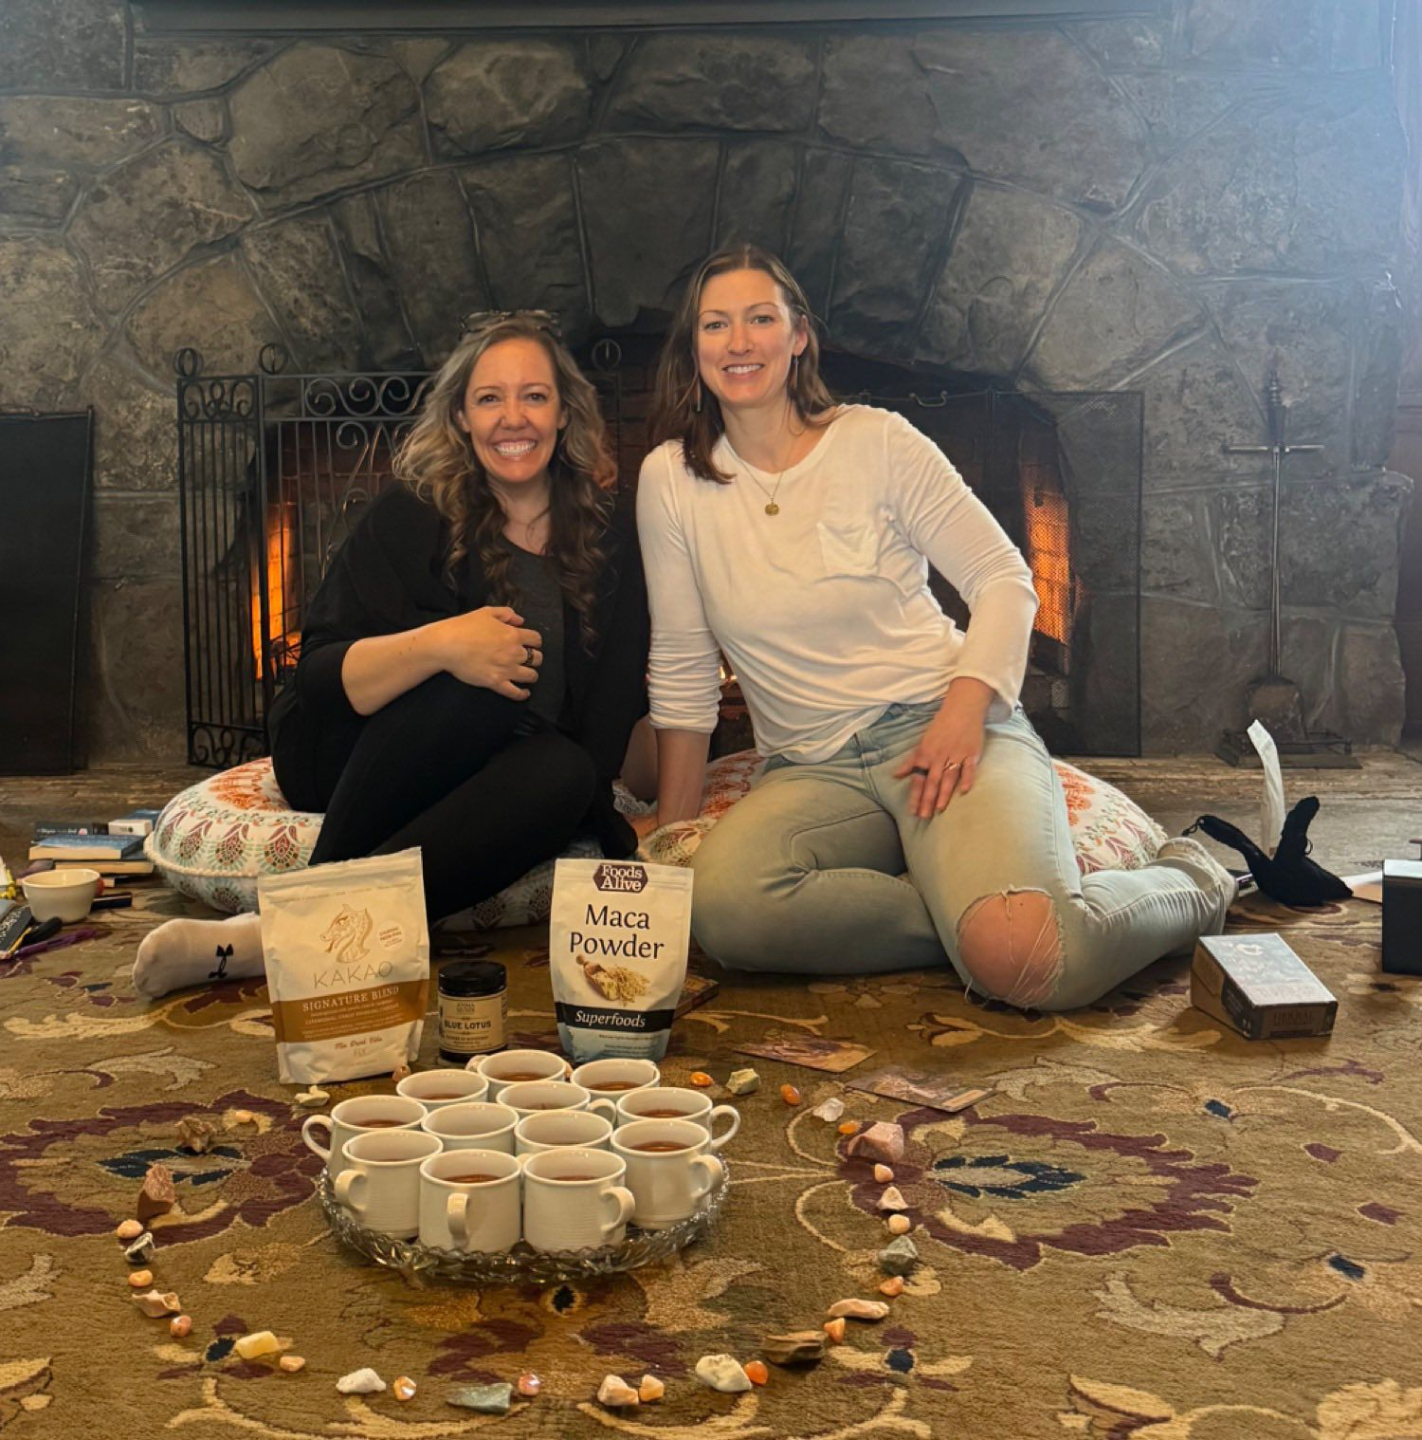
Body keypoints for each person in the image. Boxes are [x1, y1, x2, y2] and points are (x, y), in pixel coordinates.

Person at [634, 244, 1234, 1012]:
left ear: (799, 336)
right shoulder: (670, 480)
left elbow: (1005, 579)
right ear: (693, 347)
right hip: (811, 770)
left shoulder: (877, 441)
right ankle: (975, 924)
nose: (738, 342)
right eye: (716, 324)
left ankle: (1192, 883)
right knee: (724, 909)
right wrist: (672, 835)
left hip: (941, 727)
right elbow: (683, 662)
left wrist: (963, 712)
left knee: (1030, 965)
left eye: (761, 319)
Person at [134, 313, 650, 999]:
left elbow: (610, 708)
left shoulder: (611, 536)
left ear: (564, 413)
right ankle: (305, 911)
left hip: (502, 773)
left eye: (534, 395)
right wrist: (440, 645)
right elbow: (317, 678)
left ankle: (285, 935)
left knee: (567, 773)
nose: (512, 418)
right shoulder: (413, 513)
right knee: (480, 687)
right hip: (358, 754)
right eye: (489, 398)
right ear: (461, 417)